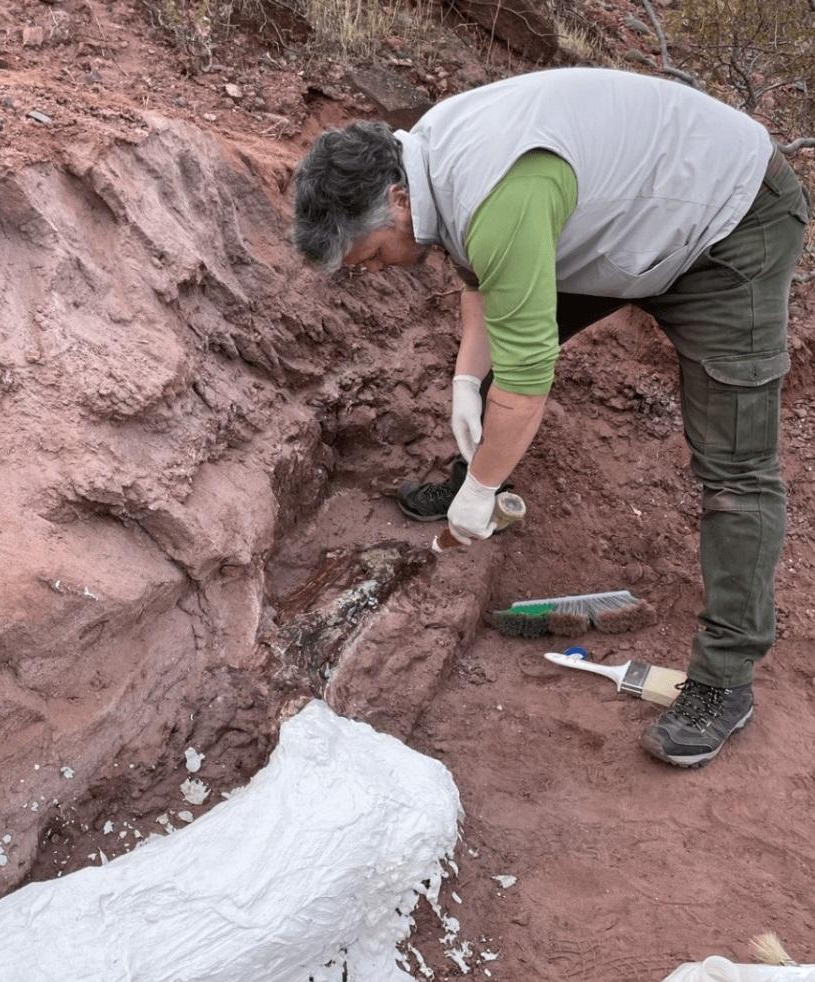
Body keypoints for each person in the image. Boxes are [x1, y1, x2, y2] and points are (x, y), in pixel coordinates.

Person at [291, 67, 811, 769]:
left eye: (371, 256)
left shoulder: (496, 191)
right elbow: (481, 274)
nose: (375, 271)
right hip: (628, 225)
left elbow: (530, 374)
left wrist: (484, 483)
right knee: (507, 355)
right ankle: (475, 479)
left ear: (393, 198)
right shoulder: (430, 161)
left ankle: (725, 680)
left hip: (726, 224)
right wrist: (468, 380)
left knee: (736, 470)